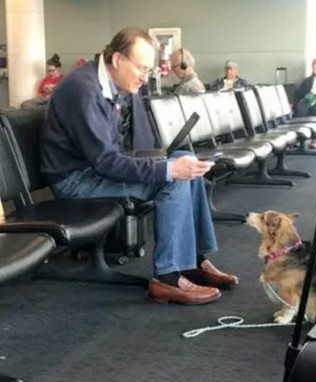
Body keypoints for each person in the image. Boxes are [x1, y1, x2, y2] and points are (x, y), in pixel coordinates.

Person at [40, 27, 239, 305]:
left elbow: (122, 148)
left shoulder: (113, 85)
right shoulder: (83, 91)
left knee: (184, 159)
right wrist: (165, 169)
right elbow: (106, 161)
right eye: (142, 69)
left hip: (93, 170)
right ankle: (167, 278)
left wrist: (165, 162)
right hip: (76, 181)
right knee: (173, 176)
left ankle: (192, 259)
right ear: (119, 59)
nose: (146, 77)